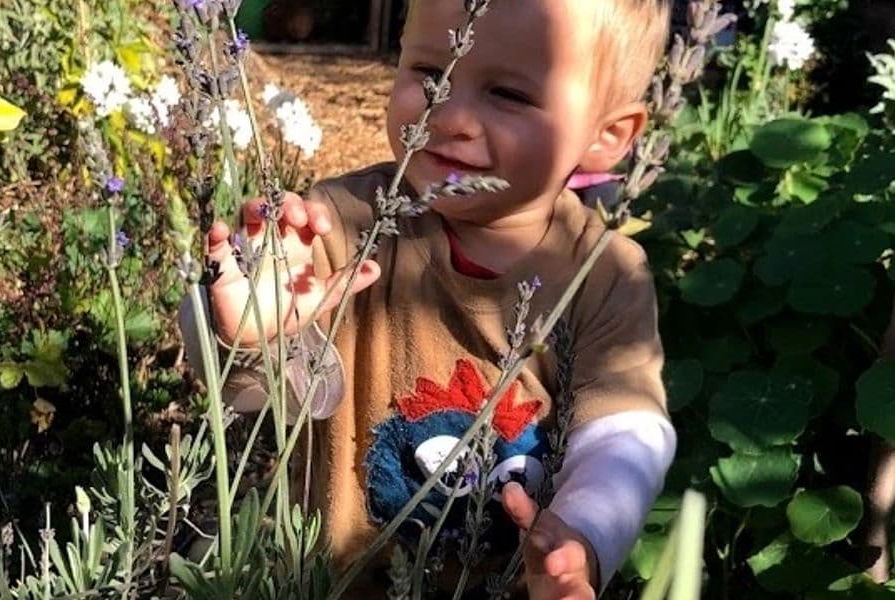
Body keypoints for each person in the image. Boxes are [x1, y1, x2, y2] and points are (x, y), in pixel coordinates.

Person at [181, 0, 676, 597]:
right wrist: (245, 332)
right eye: (430, 74)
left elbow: (625, 433)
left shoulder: (603, 274)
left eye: (509, 95)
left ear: (608, 135)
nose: (450, 115)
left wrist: (585, 537)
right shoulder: (339, 225)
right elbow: (255, 392)